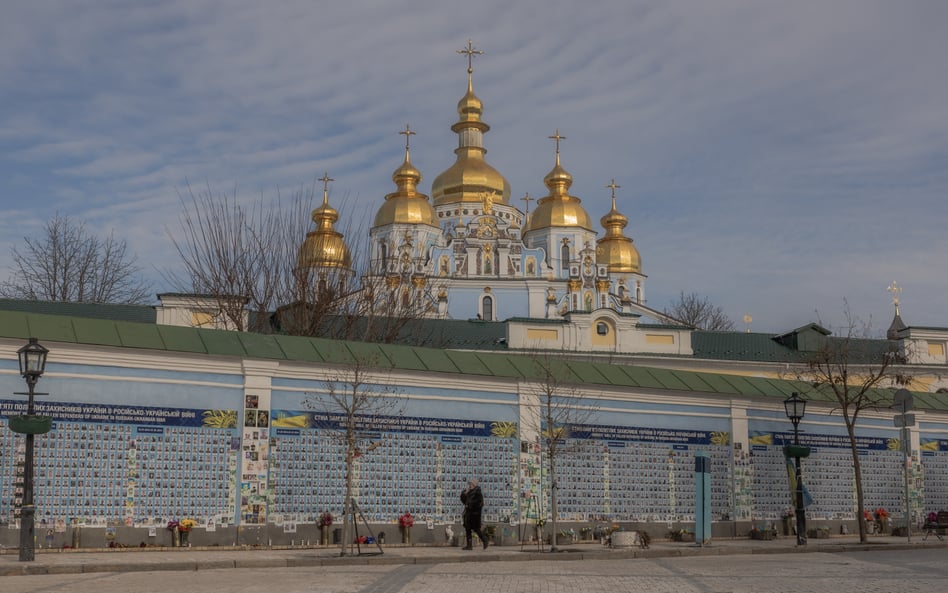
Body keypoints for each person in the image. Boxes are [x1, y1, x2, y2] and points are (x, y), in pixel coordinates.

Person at [460, 478, 488, 550]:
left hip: (474, 515)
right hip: (468, 514)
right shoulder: (469, 492)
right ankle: (469, 546)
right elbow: (464, 502)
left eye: (471, 484)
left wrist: (470, 505)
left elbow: (480, 503)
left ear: (474, 484)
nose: (469, 485)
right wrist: (463, 494)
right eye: (469, 484)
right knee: (467, 529)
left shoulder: (478, 493)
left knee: (476, 529)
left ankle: (484, 540)